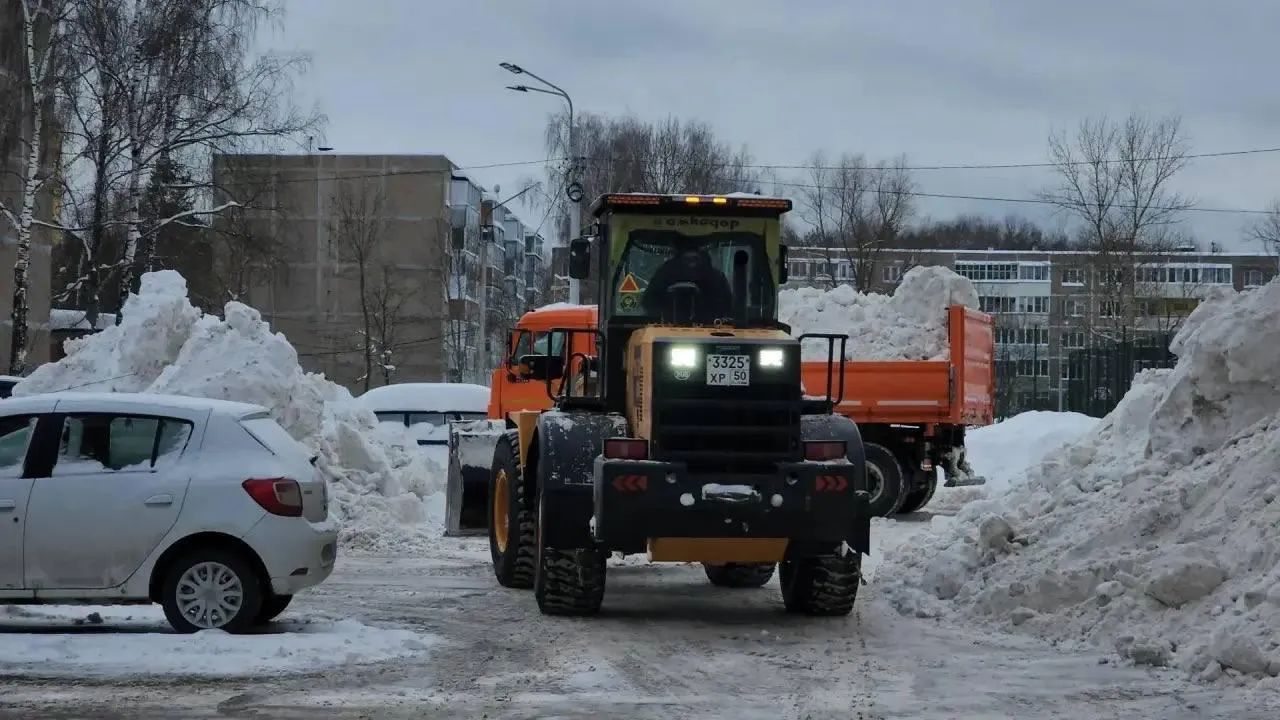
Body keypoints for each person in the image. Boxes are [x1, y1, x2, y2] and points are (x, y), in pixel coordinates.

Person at [640, 248, 734, 323]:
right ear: (678, 260)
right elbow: (649, 302)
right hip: (667, 326)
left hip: (710, 327)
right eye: (687, 260)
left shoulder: (715, 278)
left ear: (702, 259)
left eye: (695, 259)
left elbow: (727, 306)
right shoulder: (665, 275)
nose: (691, 264)